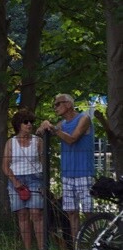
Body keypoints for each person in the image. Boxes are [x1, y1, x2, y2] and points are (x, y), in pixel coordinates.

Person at [38, 93, 94, 241]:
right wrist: (44, 125)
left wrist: (54, 129)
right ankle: (78, 248)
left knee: (88, 211)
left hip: (83, 172)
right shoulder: (62, 124)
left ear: (68, 104)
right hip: (67, 174)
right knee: (71, 212)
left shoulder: (84, 118)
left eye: (57, 104)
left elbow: (72, 139)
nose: (55, 108)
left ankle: (95, 242)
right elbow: (40, 132)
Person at [3, 108, 45, 250]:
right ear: (18, 124)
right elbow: (5, 165)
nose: (29, 125)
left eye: (31, 122)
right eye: (26, 122)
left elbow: (44, 163)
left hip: (35, 178)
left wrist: (44, 184)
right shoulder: (10, 142)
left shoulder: (38, 141)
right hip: (16, 179)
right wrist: (15, 182)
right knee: (22, 215)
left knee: (36, 213)